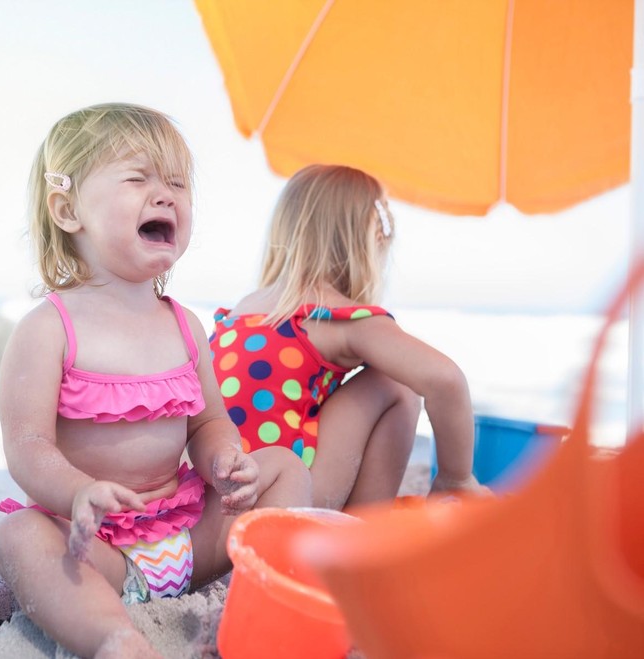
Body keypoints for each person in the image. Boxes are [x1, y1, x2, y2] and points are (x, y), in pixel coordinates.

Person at [0, 103, 312, 659]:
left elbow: (208, 422)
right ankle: (114, 637)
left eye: (178, 184)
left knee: (283, 465)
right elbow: (27, 447)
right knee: (17, 539)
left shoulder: (185, 325)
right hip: (98, 548)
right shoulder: (48, 330)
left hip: (189, 535)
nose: (166, 195)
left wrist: (224, 459)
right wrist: (77, 492)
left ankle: (273, 591)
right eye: (138, 178)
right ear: (68, 211)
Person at [209, 163, 488, 511]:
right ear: (367, 245)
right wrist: (456, 478)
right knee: (394, 384)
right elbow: (446, 379)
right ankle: (361, 531)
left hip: (217, 502)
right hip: (283, 499)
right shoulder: (339, 318)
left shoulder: (244, 310)